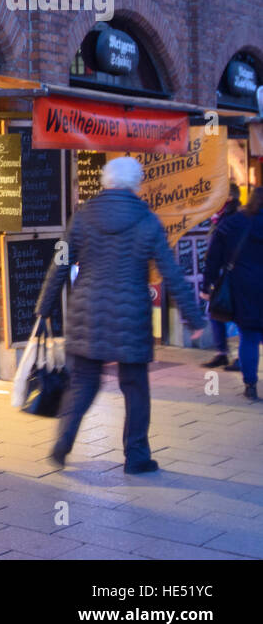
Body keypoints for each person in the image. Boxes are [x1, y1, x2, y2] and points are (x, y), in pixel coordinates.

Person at [35, 156, 205, 474]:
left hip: (88, 311)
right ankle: (137, 456)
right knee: (135, 386)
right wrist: (194, 318)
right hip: (132, 315)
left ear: (105, 182)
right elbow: (171, 271)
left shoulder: (82, 216)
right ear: (135, 184)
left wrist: (44, 306)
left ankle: (63, 443)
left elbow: (61, 262)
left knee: (84, 382)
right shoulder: (147, 220)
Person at [203, 188, 263, 400]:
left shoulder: (234, 222)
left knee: (249, 337)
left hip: (243, 286)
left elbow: (213, 257)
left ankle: (251, 386)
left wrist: (207, 284)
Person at [200, 182, 241, 370]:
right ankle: (226, 354)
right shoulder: (226, 218)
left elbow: (214, 256)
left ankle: (226, 353)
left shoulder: (226, 221)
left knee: (221, 313)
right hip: (236, 274)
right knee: (223, 314)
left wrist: (207, 283)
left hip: (227, 275)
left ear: (229, 197)